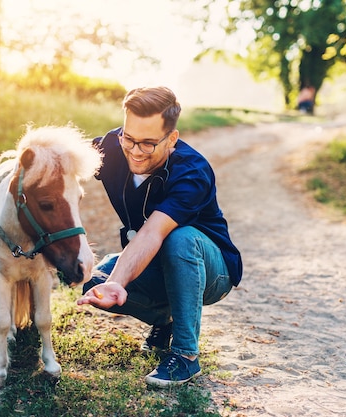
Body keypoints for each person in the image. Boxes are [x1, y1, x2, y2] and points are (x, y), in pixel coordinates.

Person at [76, 86, 242, 388]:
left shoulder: (192, 171)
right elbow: (66, 165)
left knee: (181, 238)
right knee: (91, 281)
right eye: (129, 138)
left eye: (149, 144)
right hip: (156, 262)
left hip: (210, 270)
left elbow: (153, 233)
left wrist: (119, 280)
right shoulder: (113, 146)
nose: (135, 151)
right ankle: (164, 320)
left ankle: (186, 356)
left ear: (172, 139)